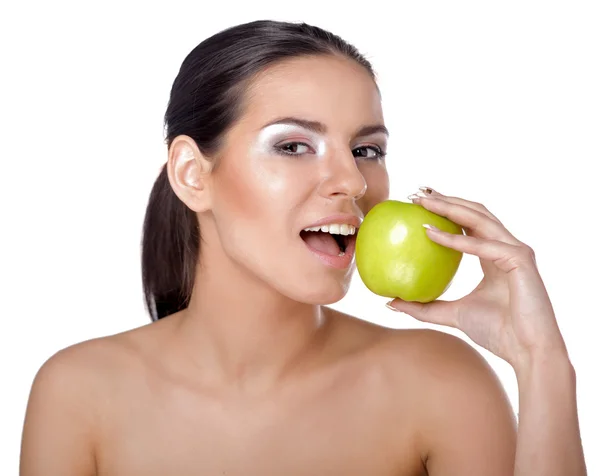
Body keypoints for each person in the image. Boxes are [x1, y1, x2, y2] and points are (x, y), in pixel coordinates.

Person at [19, 20, 587, 475]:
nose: (355, 183)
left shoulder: (439, 383)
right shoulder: (78, 393)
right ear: (193, 174)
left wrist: (543, 365)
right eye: (293, 146)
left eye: (366, 150)